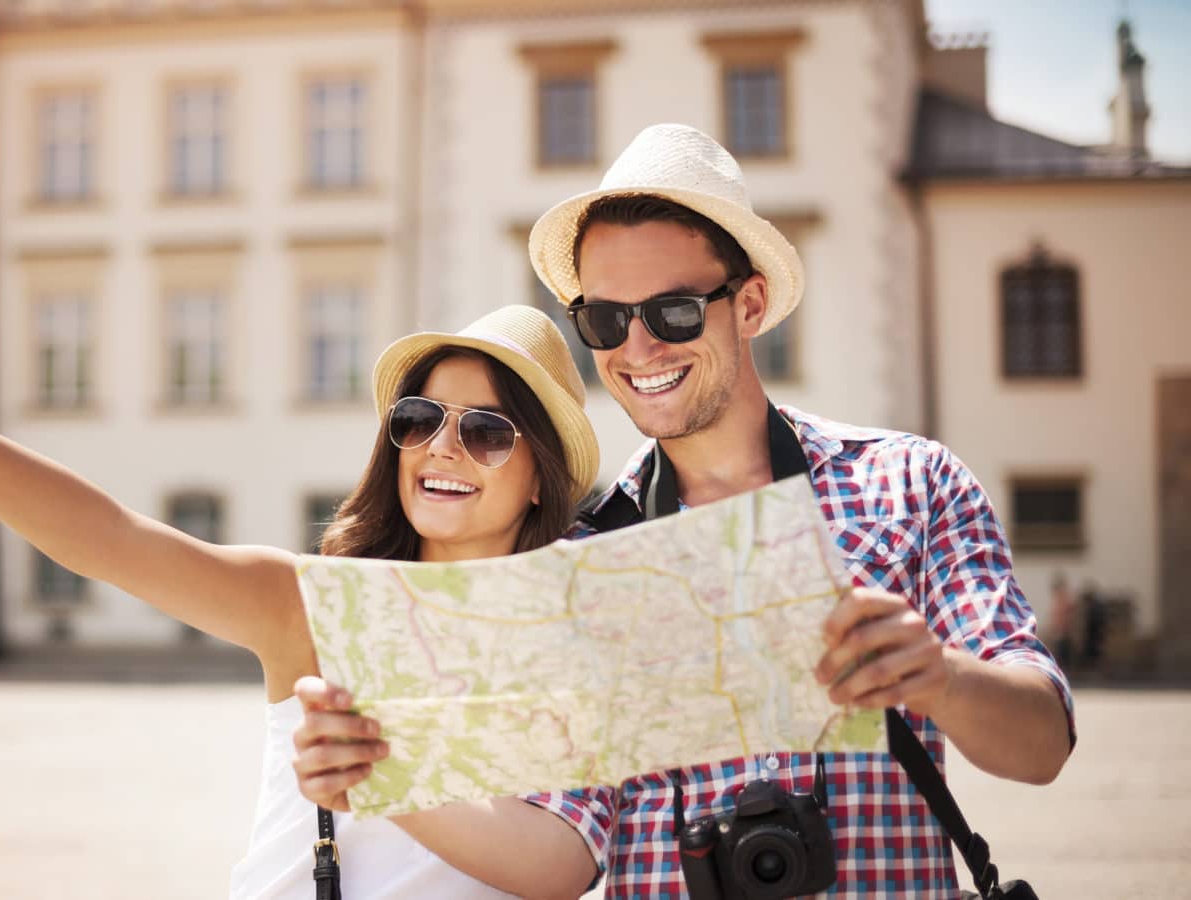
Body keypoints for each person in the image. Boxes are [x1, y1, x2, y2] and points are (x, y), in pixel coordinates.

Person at [292, 124, 1077, 897]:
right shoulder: (578, 562)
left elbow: (1042, 745)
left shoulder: (913, 482)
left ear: (753, 303)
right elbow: (563, 850)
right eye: (603, 320)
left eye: (672, 312)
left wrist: (937, 679)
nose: (637, 350)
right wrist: (383, 766)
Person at [0, 304, 603, 899]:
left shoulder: (573, 641)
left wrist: (382, 774)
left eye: (487, 432)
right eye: (420, 419)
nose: (443, 448)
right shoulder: (318, 607)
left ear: (539, 481)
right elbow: (107, 538)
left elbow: (563, 866)